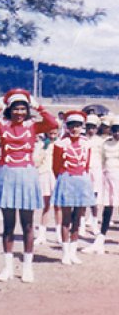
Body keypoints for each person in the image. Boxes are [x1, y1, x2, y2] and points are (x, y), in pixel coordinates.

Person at [0, 88, 57, 283]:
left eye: (23, 108)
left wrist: (38, 106)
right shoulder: (2, 125)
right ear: (10, 109)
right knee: (8, 225)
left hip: (27, 174)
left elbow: (53, 123)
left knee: (27, 225)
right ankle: (7, 267)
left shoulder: (32, 125)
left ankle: (27, 267)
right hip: (7, 174)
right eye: (15, 108)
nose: (19, 113)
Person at [52, 110, 95, 265]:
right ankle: (64, 252)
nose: (75, 129)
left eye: (78, 126)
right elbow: (55, 166)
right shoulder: (60, 143)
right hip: (66, 179)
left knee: (78, 217)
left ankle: (73, 251)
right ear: (67, 126)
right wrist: (64, 178)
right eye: (72, 125)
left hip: (82, 180)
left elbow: (87, 163)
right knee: (66, 218)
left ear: (82, 126)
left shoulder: (86, 143)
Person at [83, 117, 119, 254]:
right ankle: (100, 241)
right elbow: (103, 162)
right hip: (109, 180)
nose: (117, 133)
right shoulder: (105, 144)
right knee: (107, 210)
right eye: (115, 130)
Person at [34, 127, 62, 244]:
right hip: (45, 175)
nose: (52, 135)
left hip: (58, 175)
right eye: (50, 132)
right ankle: (41, 234)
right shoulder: (42, 144)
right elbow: (36, 161)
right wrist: (43, 149)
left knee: (58, 206)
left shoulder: (61, 144)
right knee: (46, 205)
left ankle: (59, 234)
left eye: (55, 132)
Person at [79, 114, 104, 236]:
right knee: (83, 199)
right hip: (84, 171)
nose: (90, 129)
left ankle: (94, 224)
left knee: (94, 200)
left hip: (96, 171)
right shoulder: (81, 140)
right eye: (88, 127)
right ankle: (81, 225)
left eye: (93, 127)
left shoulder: (101, 141)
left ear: (97, 128)